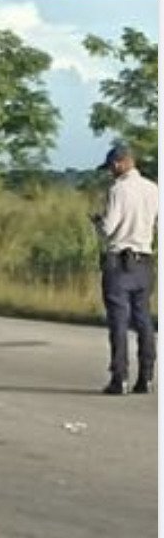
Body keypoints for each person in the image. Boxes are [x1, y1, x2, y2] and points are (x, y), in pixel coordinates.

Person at [93, 143, 158, 394]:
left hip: (119, 261)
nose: (110, 171)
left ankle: (119, 377)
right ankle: (147, 377)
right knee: (143, 320)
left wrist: (98, 222)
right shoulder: (153, 189)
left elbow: (109, 229)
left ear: (120, 163)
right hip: (144, 260)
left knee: (119, 321)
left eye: (111, 166)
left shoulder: (118, 190)